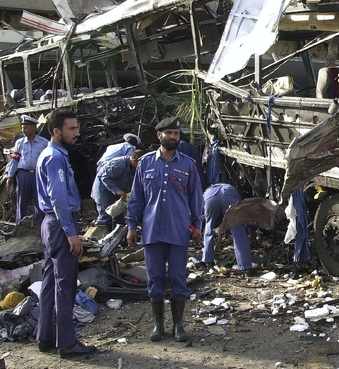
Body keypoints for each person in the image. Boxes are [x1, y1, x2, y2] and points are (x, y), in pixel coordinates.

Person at [126, 116, 203, 342]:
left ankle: (179, 326)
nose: (173, 137)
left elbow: (195, 199)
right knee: (155, 278)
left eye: (176, 134)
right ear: (159, 135)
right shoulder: (146, 163)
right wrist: (132, 226)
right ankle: (158, 325)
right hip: (152, 231)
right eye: (169, 133)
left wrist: (197, 225)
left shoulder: (188, 165)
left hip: (179, 231)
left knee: (178, 278)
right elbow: (137, 199)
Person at [35, 108, 96, 358]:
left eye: (77, 127)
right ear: (56, 131)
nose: (77, 133)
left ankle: (45, 336)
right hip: (60, 224)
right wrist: (71, 233)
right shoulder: (56, 158)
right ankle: (67, 343)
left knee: (50, 283)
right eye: (72, 128)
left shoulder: (49, 155)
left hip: (50, 224)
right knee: (65, 285)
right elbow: (58, 197)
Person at [202, 183, 254, 276]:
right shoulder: (232, 189)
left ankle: (208, 261)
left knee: (209, 227)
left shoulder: (207, 191)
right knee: (238, 231)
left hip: (210, 198)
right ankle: (245, 267)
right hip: (230, 197)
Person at [6, 115, 49, 224]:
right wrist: (10, 176)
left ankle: (41, 226)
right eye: (22, 128)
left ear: (34, 128)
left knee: (40, 201)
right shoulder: (19, 143)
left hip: (38, 175)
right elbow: (15, 160)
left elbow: (47, 161)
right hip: (23, 175)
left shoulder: (44, 143)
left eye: (26, 128)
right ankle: (19, 226)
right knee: (21, 201)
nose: (23, 130)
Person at [91, 150, 144, 231]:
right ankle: (96, 237)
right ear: (134, 160)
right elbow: (105, 178)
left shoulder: (132, 167)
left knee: (119, 216)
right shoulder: (118, 164)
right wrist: (117, 190)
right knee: (105, 216)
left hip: (117, 193)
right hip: (103, 192)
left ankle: (116, 238)